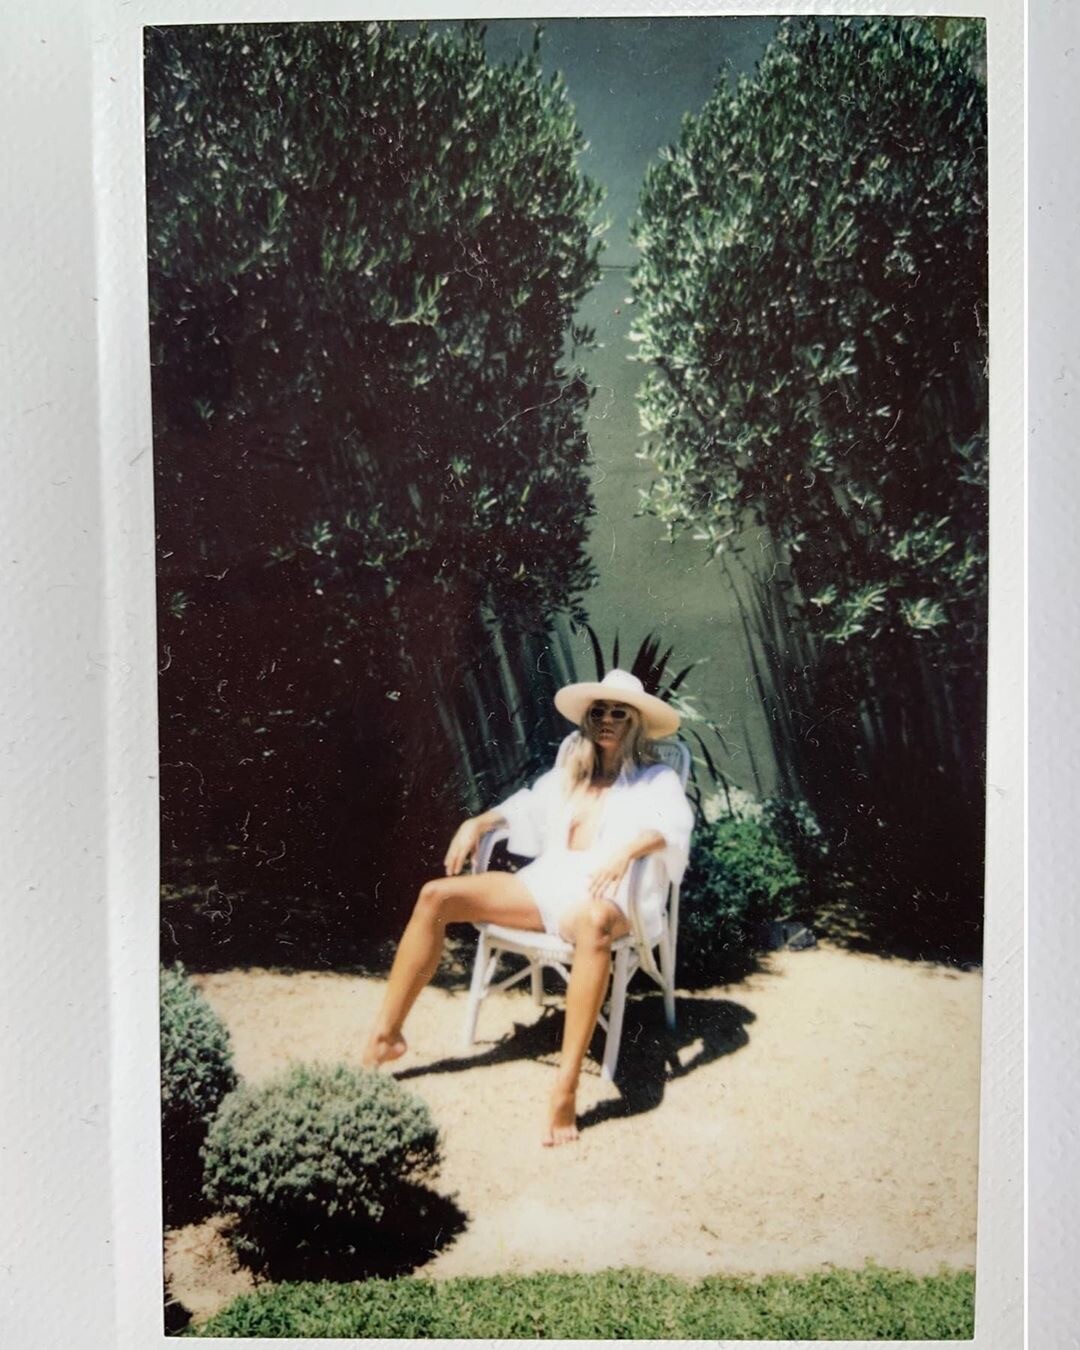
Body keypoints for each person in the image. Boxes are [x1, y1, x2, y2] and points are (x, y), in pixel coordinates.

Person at [362, 668, 694, 1146]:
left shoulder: (654, 778)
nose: (606, 720)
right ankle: (386, 1035)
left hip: (610, 896)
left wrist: (627, 850)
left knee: (594, 923)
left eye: (619, 713)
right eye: (598, 711)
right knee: (436, 895)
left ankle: (565, 1088)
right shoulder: (570, 774)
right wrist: (476, 823)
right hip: (549, 885)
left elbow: (674, 825)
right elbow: (522, 808)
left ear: (636, 723)